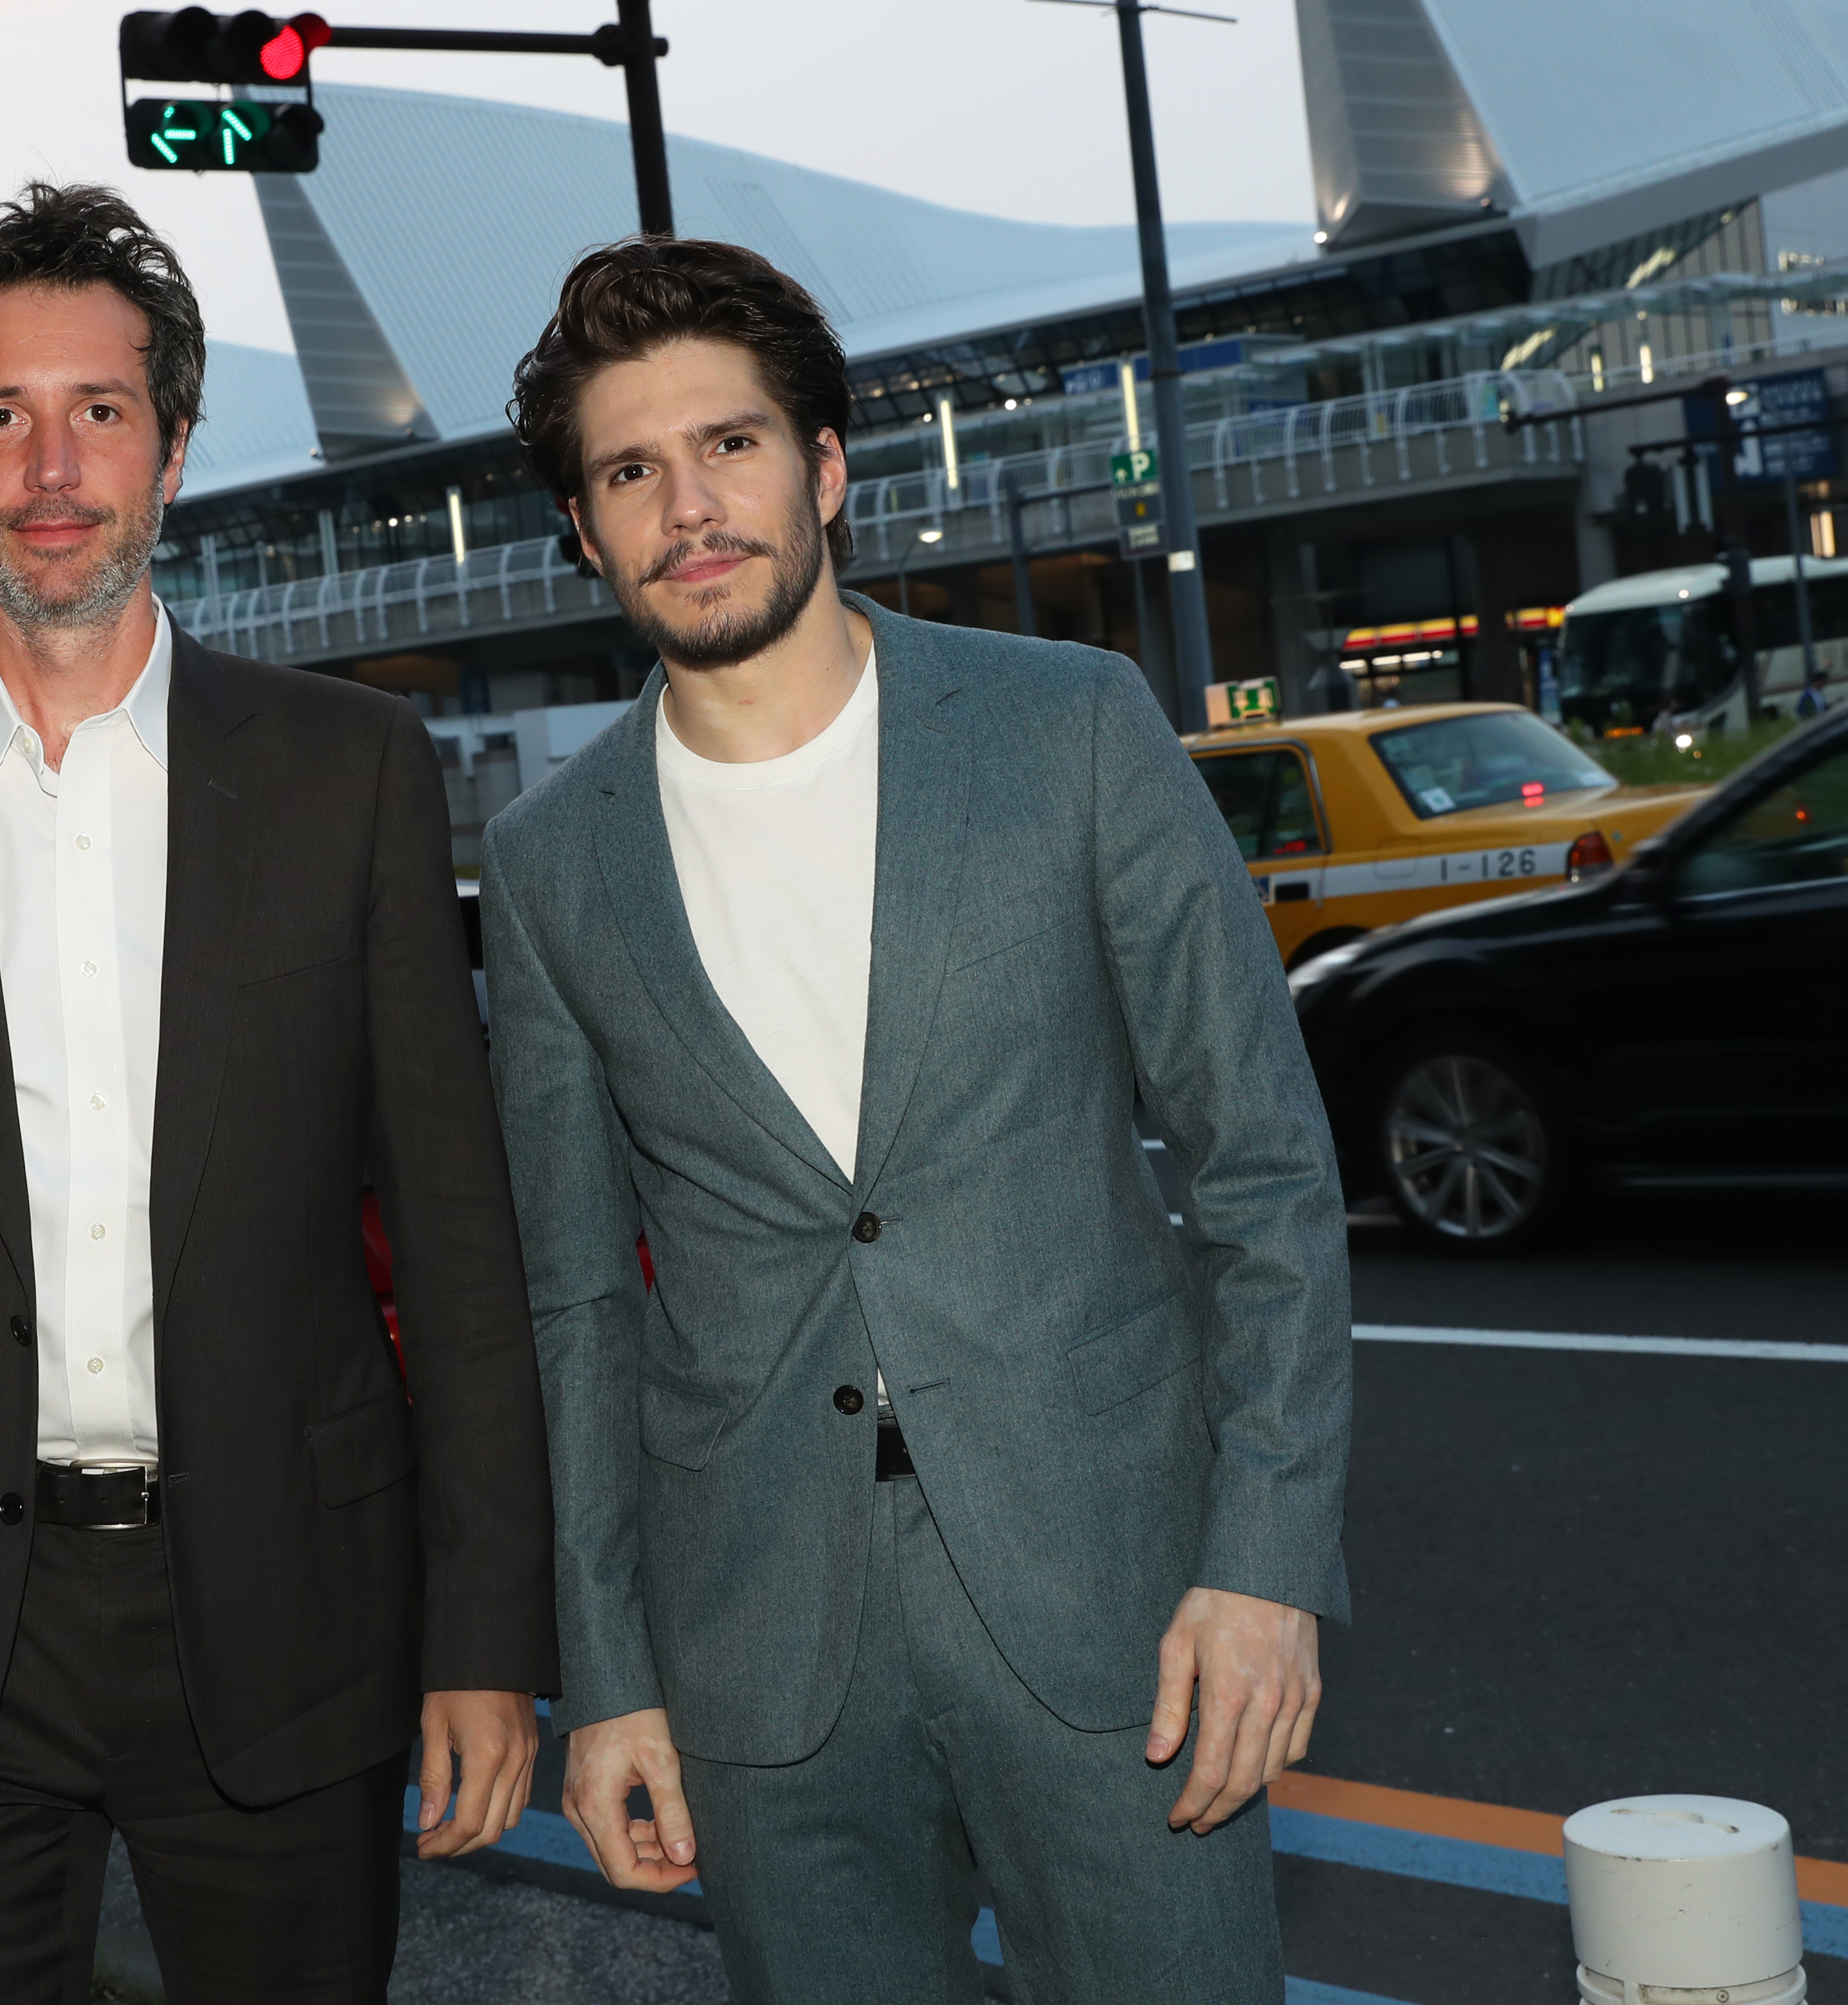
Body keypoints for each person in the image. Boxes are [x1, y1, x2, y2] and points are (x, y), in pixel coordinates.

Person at [0, 181, 556, 2005]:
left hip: (287, 1609)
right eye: (1, 414)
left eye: (100, 409)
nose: (52, 466)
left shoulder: (349, 772)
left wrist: (486, 1638)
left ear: (173, 444)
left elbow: (462, 1243)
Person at [480, 235, 1353, 2002]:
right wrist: (611, 1672)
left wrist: (1264, 1562)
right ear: (583, 529)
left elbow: (1262, 1168)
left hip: (1113, 1594)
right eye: (630, 472)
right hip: (758, 1641)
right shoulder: (550, 860)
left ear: (823, 468)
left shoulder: (1069, 729)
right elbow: (574, 1306)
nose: (687, 506)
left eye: (729, 445)